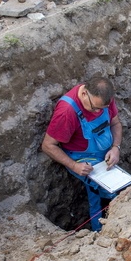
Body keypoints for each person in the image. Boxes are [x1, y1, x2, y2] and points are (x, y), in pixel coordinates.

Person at [41, 76, 123, 231]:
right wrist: (74, 165)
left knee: (122, 188)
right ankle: (100, 232)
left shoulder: (104, 99)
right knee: (98, 192)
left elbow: (116, 123)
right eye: (94, 108)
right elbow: (48, 145)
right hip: (81, 158)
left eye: (102, 108)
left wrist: (116, 148)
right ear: (85, 93)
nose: (98, 111)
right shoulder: (67, 112)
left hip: (105, 154)